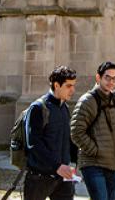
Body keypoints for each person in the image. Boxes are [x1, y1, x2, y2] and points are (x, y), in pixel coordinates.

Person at [70, 62, 115, 200]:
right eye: (107, 78)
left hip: (114, 165)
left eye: (114, 78)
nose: (111, 82)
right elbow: (76, 132)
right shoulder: (87, 101)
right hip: (93, 165)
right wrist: (96, 150)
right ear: (98, 78)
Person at [25, 66, 79, 200]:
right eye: (68, 86)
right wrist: (56, 166)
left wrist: (77, 161)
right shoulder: (38, 108)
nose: (72, 90)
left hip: (63, 179)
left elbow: (67, 139)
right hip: (39, 178)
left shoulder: (64, 107)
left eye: (73, 85)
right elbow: (33, 144)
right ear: (56, 85)